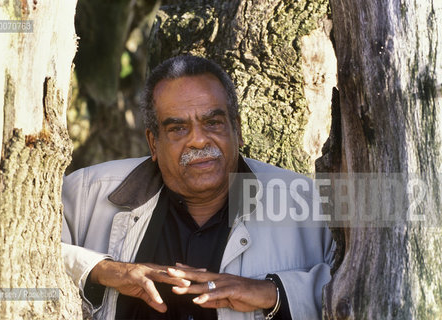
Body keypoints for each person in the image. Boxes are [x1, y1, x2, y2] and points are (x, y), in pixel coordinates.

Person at [61, 55, 335, 320]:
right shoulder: (85, 193)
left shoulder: (308, 203)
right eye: (178, 128)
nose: (199, 141)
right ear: (153, 143)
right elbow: (25, 256)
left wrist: (273, 293)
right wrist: (101, 269)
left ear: (237, 131)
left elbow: (366, 284)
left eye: (212, 123)